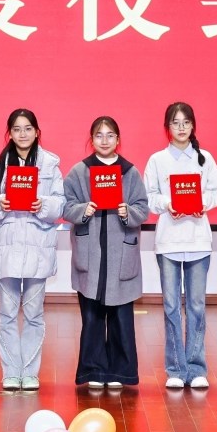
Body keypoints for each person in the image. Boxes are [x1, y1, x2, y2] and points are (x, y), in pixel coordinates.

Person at [62, 116, 151, 389]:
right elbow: (66, 207)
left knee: (121, 318)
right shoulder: (79, 172)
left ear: (118, 140)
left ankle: (120, 373)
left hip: (121, 253)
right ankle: (93, 371)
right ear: (91, 139)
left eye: (110, 135)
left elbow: (143, 209)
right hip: (90, 254)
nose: (104, 140)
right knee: (91, 317)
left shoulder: (130, 172)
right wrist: (83, 210)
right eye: (99, 135)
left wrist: (127, 211)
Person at [0, 108, 64, 391]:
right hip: (7, 249)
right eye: (17, 129)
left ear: (37, 132)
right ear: (10, 133)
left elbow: (60, 204)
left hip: (38, 248)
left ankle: (29, 372)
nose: (23, 134)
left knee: (34, 315)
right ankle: (10, 372)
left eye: (28, 128)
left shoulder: (50, 165)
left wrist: (44, 205)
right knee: (6, 314)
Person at [143, 102, 217, 389]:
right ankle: (176, 369)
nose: (181, 128)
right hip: (168, 242)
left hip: (198, 241)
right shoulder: (157, 160)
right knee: (171, 306)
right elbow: (149, 196)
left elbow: (216, 193)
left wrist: (201, 203)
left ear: (192, 126)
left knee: (197, 306)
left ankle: (197, 368)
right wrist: (169, 204)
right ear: (167, 127)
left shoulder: (205, 158)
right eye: (175, 123)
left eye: (186, 122)